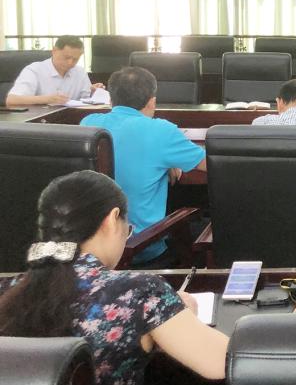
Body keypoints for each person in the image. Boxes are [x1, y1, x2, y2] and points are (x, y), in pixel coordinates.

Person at [0, 170, 228, 385]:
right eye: (127, 228)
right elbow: (221, 363)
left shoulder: (7, 291)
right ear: (111, 219)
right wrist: (184, 316)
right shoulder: (138, 293)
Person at [81, 67, 206, 265]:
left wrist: (165, 161)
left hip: (90, 252)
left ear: (111, 100)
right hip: (141, 248)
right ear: (152, 101)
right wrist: (168, 160)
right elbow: (211, 165)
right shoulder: (161, 131)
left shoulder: (87, 123)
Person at [5, 35, 104, 106]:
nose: (70, 62)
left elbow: (86, 101)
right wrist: (47, 99)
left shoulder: (80, 72)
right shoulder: (34, 70)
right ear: (54, 51)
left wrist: (93, 93)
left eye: (75, 59)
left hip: (72, 121)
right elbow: (12, 100)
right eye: (66, 57)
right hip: (40, 122)